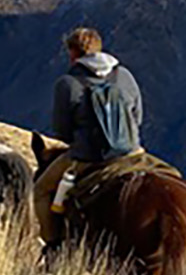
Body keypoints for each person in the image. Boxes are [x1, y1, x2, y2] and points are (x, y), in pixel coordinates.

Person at [34, 27, 145, 252]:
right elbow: (138, 117)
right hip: (131, 153)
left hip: (88, 158)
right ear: (99, 48)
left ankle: (53, 245)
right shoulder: (125, 75)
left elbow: (62, 131)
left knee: (41, 191)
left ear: (73, 53)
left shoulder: (67, 83)